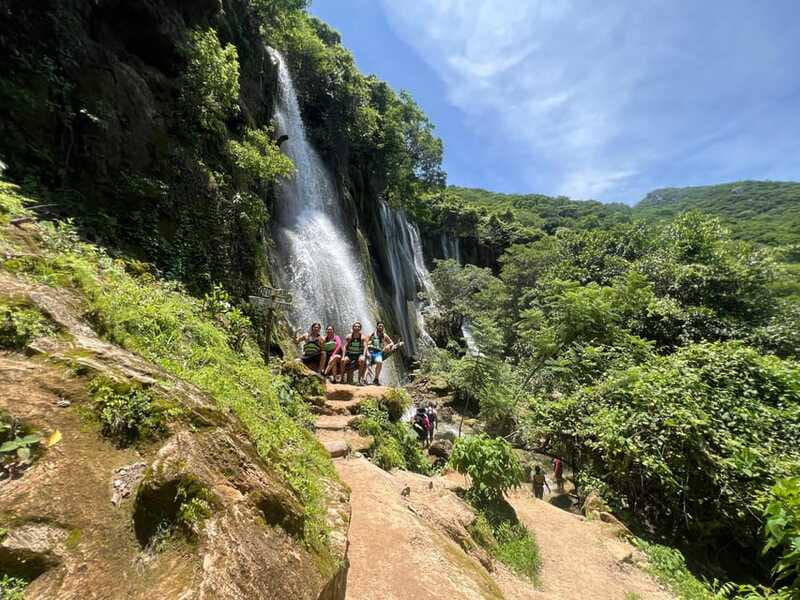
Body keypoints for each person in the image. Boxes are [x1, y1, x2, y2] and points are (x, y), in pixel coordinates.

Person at [366, 321, 396, 385]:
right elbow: (365, 342)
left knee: (379, 362)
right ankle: (365, 379)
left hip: (378, 352)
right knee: (367, 363)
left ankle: (376, 379)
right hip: (370, 351)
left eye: (382, 326)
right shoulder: (372, 334)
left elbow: (392, 343)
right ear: (377, 326)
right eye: (379, 326)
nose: (381, 327)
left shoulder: (384, 335)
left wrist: (388, 345)